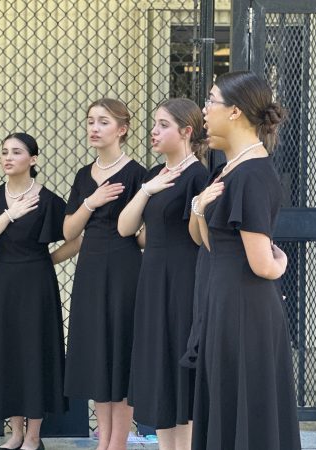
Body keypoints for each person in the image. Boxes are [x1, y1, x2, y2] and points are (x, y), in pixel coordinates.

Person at [190, 71, 301, 449]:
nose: (204, 110)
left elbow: (262, 264)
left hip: (244, 309)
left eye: (210, 100)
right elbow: (209, 243)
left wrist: (281, 263)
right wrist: (199, 208)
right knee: (226, 402)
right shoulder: (228, 168)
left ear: (235, 111)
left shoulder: (253, 173)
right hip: (223, 302)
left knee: (243, 408)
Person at [0, 132, 81, 450]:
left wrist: (48, 260)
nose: (8, 157)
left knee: (35, 351)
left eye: (16, 152)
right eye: (4, 151)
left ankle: (34, 436)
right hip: (4, 283)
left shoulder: (48, 200)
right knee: (9, 352)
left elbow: (76, 238)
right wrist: (9, 214)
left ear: (32, 160)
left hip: (37, 285)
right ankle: (15, 432)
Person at [117, 98, 208, 450]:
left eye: (164, 125)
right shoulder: (154, 175)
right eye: (154, 124)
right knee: (159, 370)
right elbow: (126, 228)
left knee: (178, 369)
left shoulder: (198, 176)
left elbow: (198, 236)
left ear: (186, 132)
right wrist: (145, 190)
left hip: (183, 280)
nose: (154, 131)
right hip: (152, 279)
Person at [63, 99, 148, 450]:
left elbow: (142, 234)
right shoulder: (84, 175)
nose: (94, 128)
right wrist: (91, 202)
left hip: (125, 268)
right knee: (97, 349)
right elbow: (69, 231)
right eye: (90, 121)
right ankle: (103, 439)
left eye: (103, 122)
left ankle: (119, 441)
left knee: (121, 349)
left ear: (122, 129)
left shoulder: (137, 174)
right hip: (91, 268)